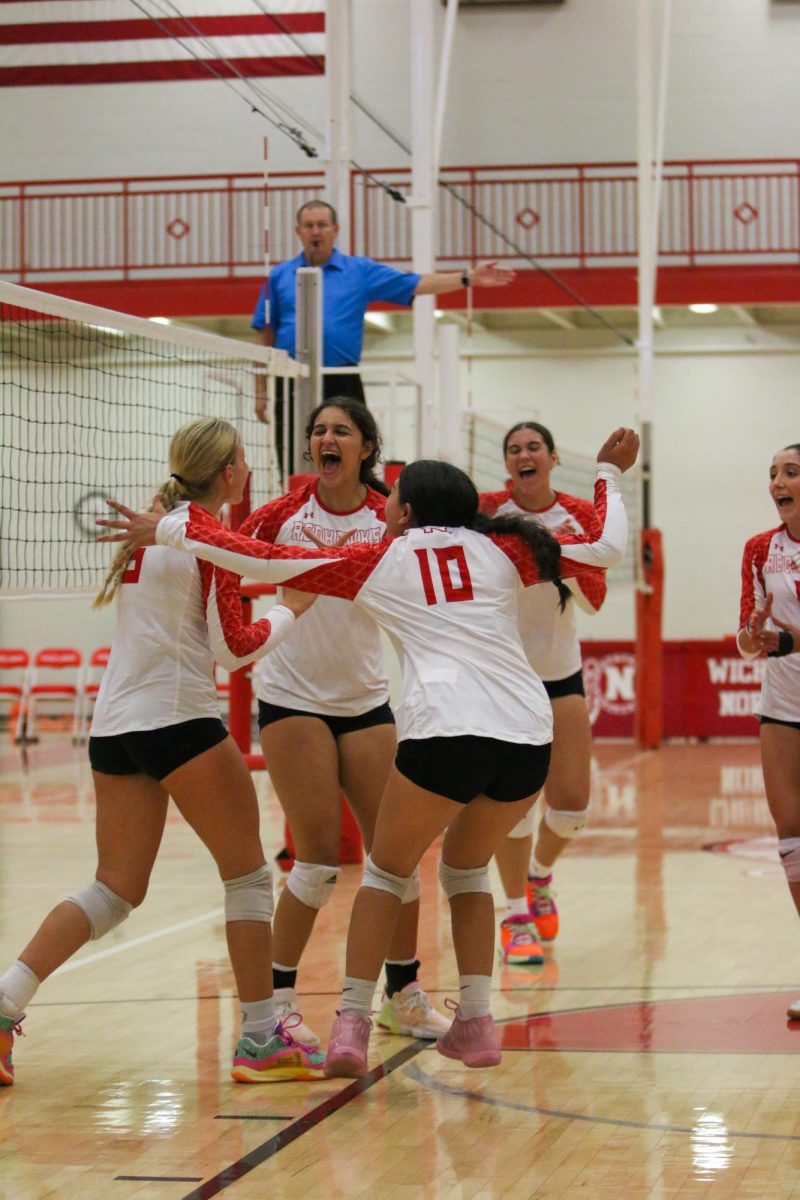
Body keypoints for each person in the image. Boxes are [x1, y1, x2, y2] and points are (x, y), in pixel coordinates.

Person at [98, 426, 639, 1074]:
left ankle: (353, 1022)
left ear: (405, 510)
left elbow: (260, 563)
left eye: (393, 499)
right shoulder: (509, 547)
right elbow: (608, 546)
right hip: (526, 733)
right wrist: (608, 475)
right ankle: (476, 1023)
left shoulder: (383, 556)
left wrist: (169, 528)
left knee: (385, 871)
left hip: (445, 727)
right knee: (466, 872)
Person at [0, 418, 326, 1089]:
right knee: (248, 878)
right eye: (244, 460)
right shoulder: (203, 539)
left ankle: (3, 1004)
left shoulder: (151, 531)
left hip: (115, 726)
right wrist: (294, 609)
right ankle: (262, 1037)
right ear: (232, 472)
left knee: (114, 890)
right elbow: (233, 650)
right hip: (178, 721)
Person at [238, 396, 447, 1045]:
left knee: (399, 855)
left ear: (365, 447)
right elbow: (236, 571)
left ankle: (403, 993)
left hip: (364, 700)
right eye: (319, 431)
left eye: (341, 432)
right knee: (318, 861)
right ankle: (272, 1006)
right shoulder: (279, 514)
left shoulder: (390, 517)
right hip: (292, 697)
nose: (327, 439)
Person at [480, 421, 609, 967]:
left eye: (533, 447)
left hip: (559, 672)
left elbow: (596, 600)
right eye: (514, 450)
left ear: (552, 458)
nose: (524, 455)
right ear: (507, 464)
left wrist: (559, 555)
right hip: (506, 676)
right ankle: (514, 915)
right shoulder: (485, 512)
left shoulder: (578, 515)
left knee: (573, 806)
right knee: (515, 806)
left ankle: (538, 877)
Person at [252, 199, 515, 466]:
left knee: (351, 457)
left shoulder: (359, 271)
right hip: (291, 378)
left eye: (322, 225)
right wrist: (260, 389)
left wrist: (467, 277)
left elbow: (414, 283)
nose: (316, 231)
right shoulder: (280, 275)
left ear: (335, 229)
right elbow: (264, 331)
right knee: (290, 456)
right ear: (299, 231)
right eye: (309, 226)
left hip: (341, 378)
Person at [736, 441, 800, 1022]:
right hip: (781, 707)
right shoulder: (760, 548)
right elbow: (745, 632)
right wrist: (754, 635)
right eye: (774, 474)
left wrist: (792, 641)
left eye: (791, 472)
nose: (778, 482)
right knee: (791, 838)